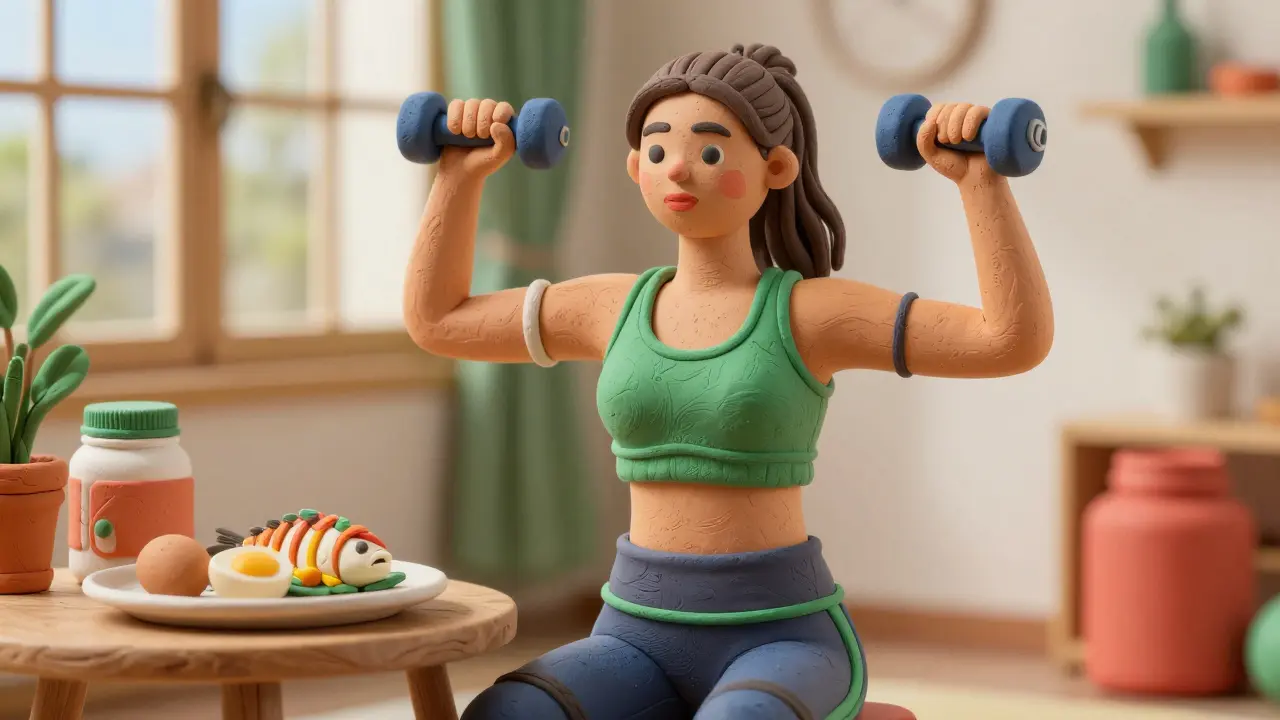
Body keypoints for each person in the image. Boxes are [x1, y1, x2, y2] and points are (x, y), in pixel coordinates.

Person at [404, 43, 1052, 720]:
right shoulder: (609, 307)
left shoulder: (807, 313)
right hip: (634, 631)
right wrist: (458, 175)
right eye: (657, 152)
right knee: (506, 715)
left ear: (774, 167)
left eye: (710, 152)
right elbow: (439, 321)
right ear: (636, 168)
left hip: (782, 633)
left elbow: (1006, 339)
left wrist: (981, 183)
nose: (678, 166)